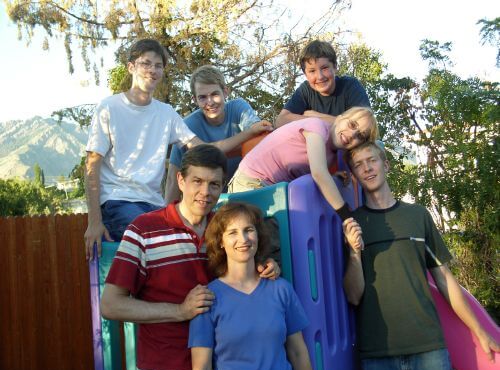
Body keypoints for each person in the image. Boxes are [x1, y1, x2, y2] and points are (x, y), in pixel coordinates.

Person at [84, 39, 272, 260]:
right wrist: (94, 222)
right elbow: (91, 165)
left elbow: (205, 149)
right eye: (146, 63)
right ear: (131, 67)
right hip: (119, 200)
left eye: (158, 65)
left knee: (198, 244)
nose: (152, 70)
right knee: (157, 246)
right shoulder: (109, 107)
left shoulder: (166, 114)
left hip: (153, 204)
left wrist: (249, 133)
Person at [100, 145, 280, 370]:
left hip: (224, 363)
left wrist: (265, 269)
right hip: (165, 366)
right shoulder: (144, 230)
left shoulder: (226, 229)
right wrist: (180, 311)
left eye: (214, 184)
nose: (205, 191)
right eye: (197, 181)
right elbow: (110, 305)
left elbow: (243, 278)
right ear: (181, 181)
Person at [342, 141, 500, 370]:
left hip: (429, 350)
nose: (367, 168)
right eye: (358, 165)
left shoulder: (418, 215)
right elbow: (353, 296)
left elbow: (445, 280)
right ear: (354, 175)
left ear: (386, 165)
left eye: (372, 160)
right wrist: (354, 252)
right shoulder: (353, 224)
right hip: (378, 354)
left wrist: (479, 331)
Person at [189, 202, 312, 370]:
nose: (244, 239)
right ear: (221, 242)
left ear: (258, 235)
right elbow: (201, 368)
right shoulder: (208, 298)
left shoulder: (281, 289)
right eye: (233, 232)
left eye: (249, 230)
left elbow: (298, 353)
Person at [228, 106, 378, 225]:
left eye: (360, 136)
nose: (352, 134)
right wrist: (347, 217)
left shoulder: (331, 155)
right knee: (268, 240)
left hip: (273, 190)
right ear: (339, 118)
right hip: (251, 182)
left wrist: (331, 177)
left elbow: (312, 172)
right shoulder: (316, 126)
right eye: (352, 125)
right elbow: (318, 173)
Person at [165, 65, 272, 204]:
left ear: (225, 92)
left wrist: (247, 138)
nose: (210, 102)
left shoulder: (238, 107)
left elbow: (261, 138)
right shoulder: (187, 126)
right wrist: (166, 217)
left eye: (214, 94)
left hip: (248, 193)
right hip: (207, 201)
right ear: (195, 99)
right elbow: (173, 179)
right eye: (202, 97)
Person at [275, 39, 370, 128]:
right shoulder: (306, 90)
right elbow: (281, 120)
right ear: (305, 74)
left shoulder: (350, 86)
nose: (320, 76)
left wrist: (316, 116)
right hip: (317, 143)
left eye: (324, 68)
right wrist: (340, 122)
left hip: (349, 144)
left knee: (376, 144)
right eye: (312, 71)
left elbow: (363, 126)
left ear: (335, 66)